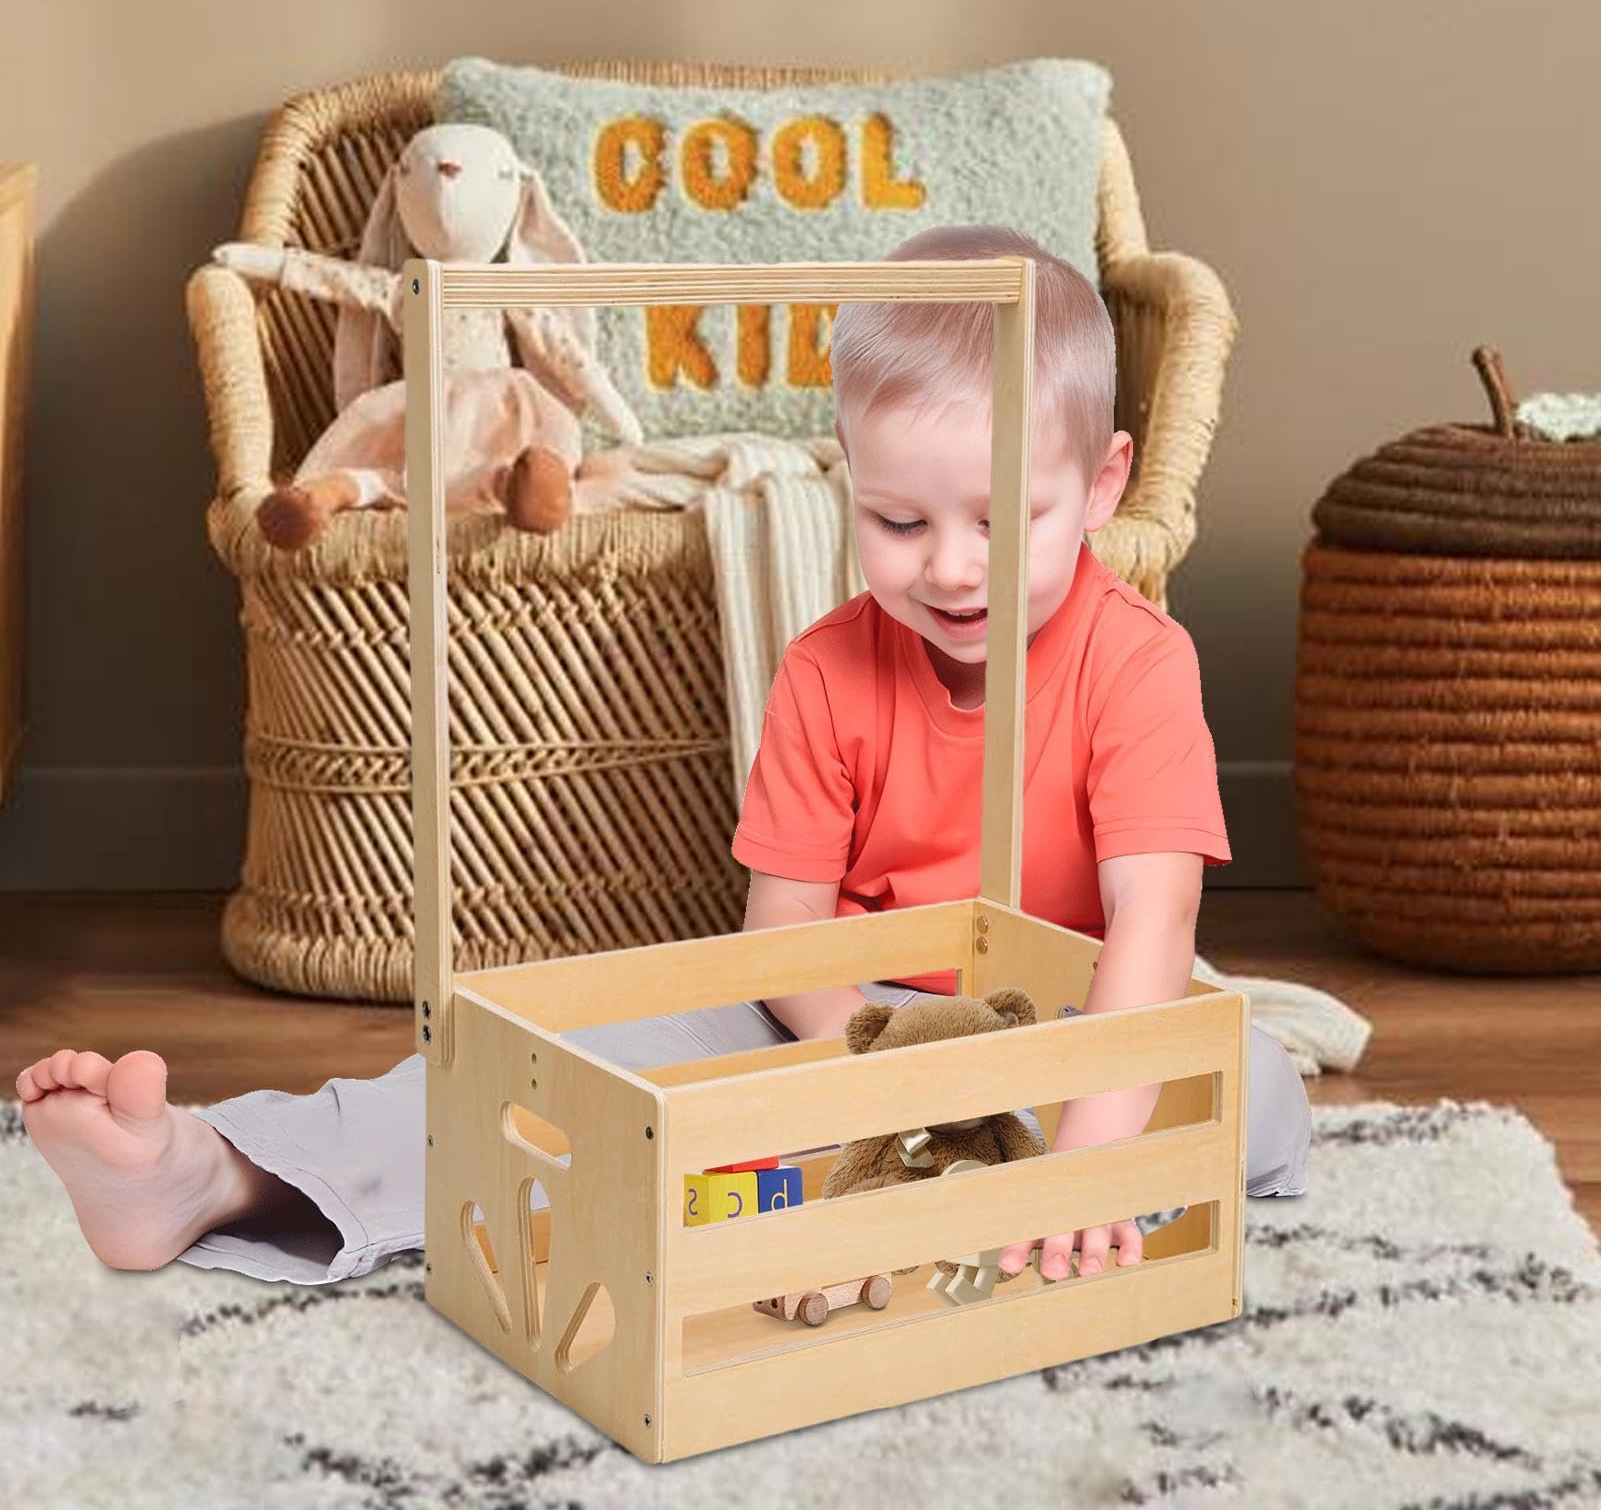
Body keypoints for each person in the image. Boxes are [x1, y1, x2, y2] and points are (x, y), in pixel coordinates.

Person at [15, 224, 1311, 1289]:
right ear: (847, 484)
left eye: (1002, 518)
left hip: (1070, 1024)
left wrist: (1089, 1151)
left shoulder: (1137, 662)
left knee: (1248, 1085)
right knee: (563, 1068)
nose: (952, 567)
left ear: (1102, 487)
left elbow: (1152, 923)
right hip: (847, 1022)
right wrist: (884, 1063)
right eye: (899, 521)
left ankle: (941, 1171)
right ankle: (218, 1173)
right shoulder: (829, 668)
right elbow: (783, 938)